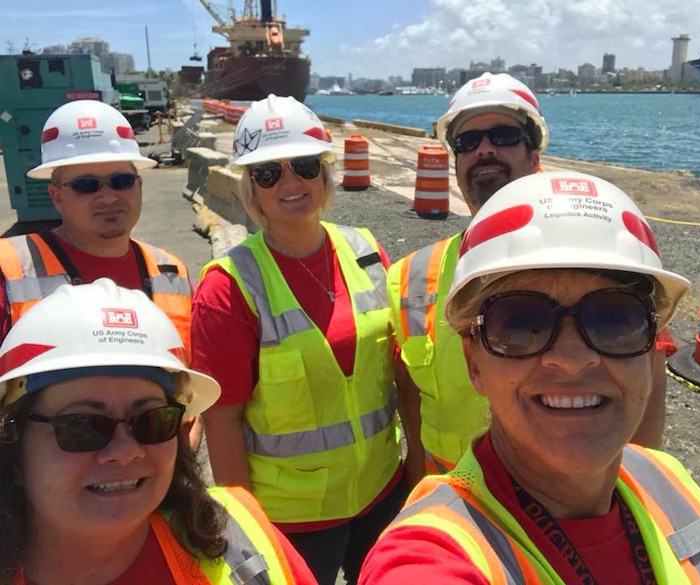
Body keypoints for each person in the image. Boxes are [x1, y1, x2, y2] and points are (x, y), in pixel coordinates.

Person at [360, 171, 700, 584]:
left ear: (651, 354)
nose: (572, 360)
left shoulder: (677, 489)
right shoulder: (436, 555)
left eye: (614, 319)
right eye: (521, 324)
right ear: (475, 365)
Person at [388, 72, 674, 484]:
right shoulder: (411, 276)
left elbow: (642, 398)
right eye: (467, 142)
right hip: (453, 507)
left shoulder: (599, 255)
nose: (484, 149)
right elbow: (412, 399)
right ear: (456, 161)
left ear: (534, 152)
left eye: (503, 135)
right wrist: (418, 499)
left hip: (564, 506)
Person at [191, 95, 405, 585]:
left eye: (304, 166)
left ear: (324, 175)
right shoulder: (230, 285)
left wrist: (413, 476)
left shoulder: (366, 251)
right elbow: (221, 420)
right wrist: (246, 529)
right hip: (290, 520)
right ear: (252, 188)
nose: (290, 182)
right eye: (268, 173)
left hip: (381, 493)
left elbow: (401, 370)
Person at [0, 279, 316, 584]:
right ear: (14, 442)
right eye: (83, 426)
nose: (126, 451)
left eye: (151, 420)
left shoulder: (242, 536)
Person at [0, 99, 202, 450]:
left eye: (121, 181)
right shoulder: (8, 268)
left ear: (139, 186)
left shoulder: (171, 269)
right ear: (57, 196)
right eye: (87, 185)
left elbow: (188, 382)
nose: (108, 196)